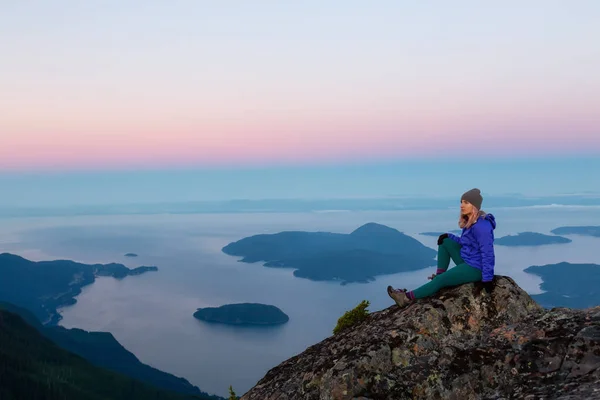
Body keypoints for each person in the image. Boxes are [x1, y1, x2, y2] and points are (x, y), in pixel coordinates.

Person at [387, 188, 496, 308]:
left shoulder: (482, 226)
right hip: (467, 260)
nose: (461, 206)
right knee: (445, 241)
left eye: (466, 202)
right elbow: (467, 243)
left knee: (441, 281)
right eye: (461, 202)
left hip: (476, 268)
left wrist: (487, 279)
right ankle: (439, 276)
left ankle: (406, 297)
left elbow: (488, 253)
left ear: (474, 205)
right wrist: (449, 236)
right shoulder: (471, 221)